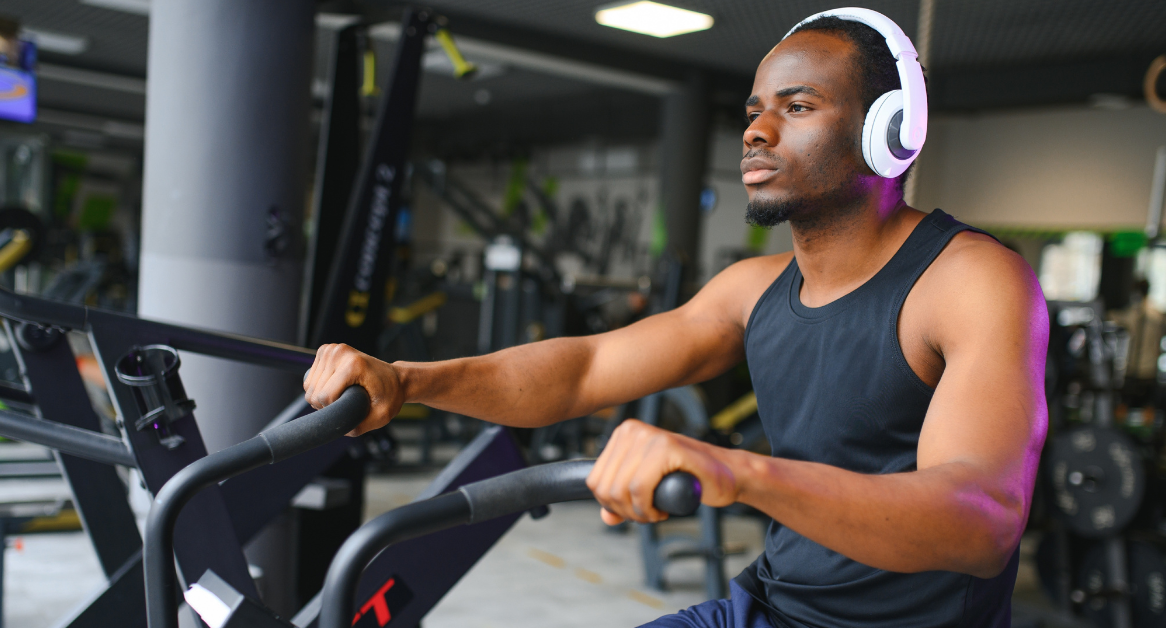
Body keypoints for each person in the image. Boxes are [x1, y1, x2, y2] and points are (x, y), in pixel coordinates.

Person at [303, 9, 1048, 628]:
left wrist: (735, 470)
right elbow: (585, 369)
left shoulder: (970, 281)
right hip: (771, 608)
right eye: (753, 112)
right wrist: (406, 379)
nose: (756, 132)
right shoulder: (752, 289)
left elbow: (982, 519)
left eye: (797, 107)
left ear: (888, 132)